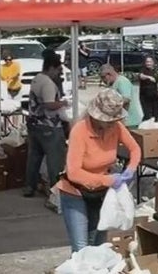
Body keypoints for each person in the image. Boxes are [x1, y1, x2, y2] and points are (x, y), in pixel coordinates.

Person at [56, 89, 141, 253]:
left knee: (99, 244)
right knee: (81, 248)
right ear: (96, 116)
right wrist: (108, 180)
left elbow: (135, 149)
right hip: (75, 192)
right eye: (108, 120)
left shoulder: (116, 127)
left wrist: (130, 169)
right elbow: (74, 172)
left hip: (101, 193)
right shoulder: (80, 131)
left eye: (115, 119)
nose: (112, 123)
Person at [23, 50, 70, 198]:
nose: (58, 74)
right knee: (55, 159)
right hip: (49, 126)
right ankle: (55, 191)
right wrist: (63, 103)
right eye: (58, 70)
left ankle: (29, 186)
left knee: (34, 157)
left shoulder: (37, 79)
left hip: (34, 124)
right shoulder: (48, 84)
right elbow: (49, 104)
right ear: (51, 68)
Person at [100, 64, 143, 128]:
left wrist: (110, 106)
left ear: (109, 74)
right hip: (120, 121)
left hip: (129, 122)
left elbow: (126, 99)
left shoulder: (122, 81)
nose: (103, 81)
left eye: (103, 77)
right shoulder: (114, 83)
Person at [137, 57, 158, 122]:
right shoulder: (143, 70)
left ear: (153, 63)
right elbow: (141, 76)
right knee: (147, 114)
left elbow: (157, 82)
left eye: (150, 62)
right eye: (147, 62)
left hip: (155, 95)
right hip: (145, 95)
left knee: (155, 114)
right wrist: (148, 77)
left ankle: (155, 127)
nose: (148, 63)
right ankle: (144, 127)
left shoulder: (155, 71)